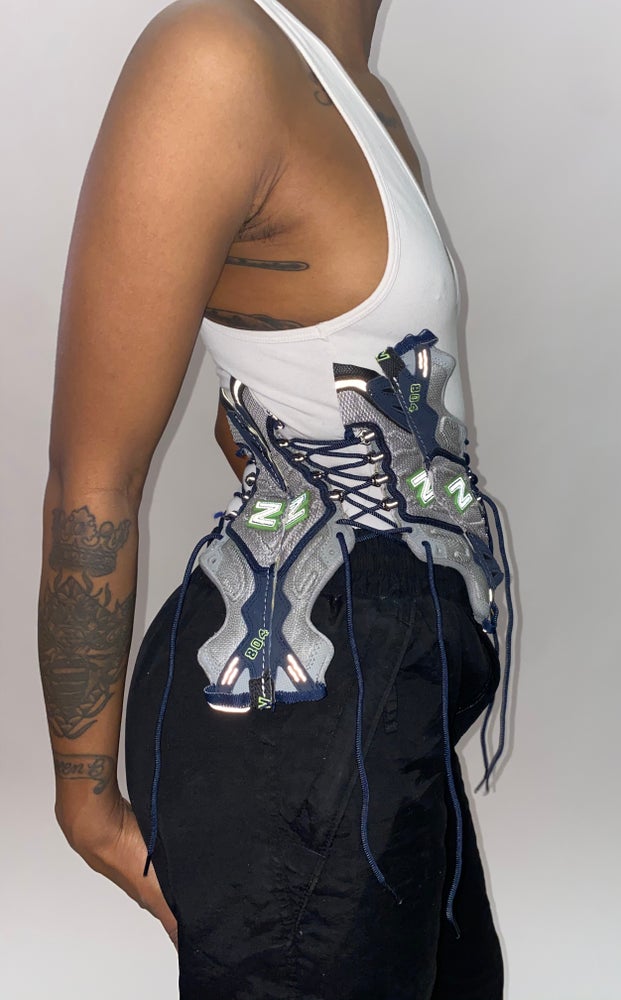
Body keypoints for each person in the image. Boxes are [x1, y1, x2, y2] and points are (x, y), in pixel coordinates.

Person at [38, 0, 513, 996]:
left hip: (388, 707)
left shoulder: (359, 93)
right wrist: (87, 799)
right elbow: (94, 477)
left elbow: (267, 399)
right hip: (297, 723)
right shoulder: (214, 57)